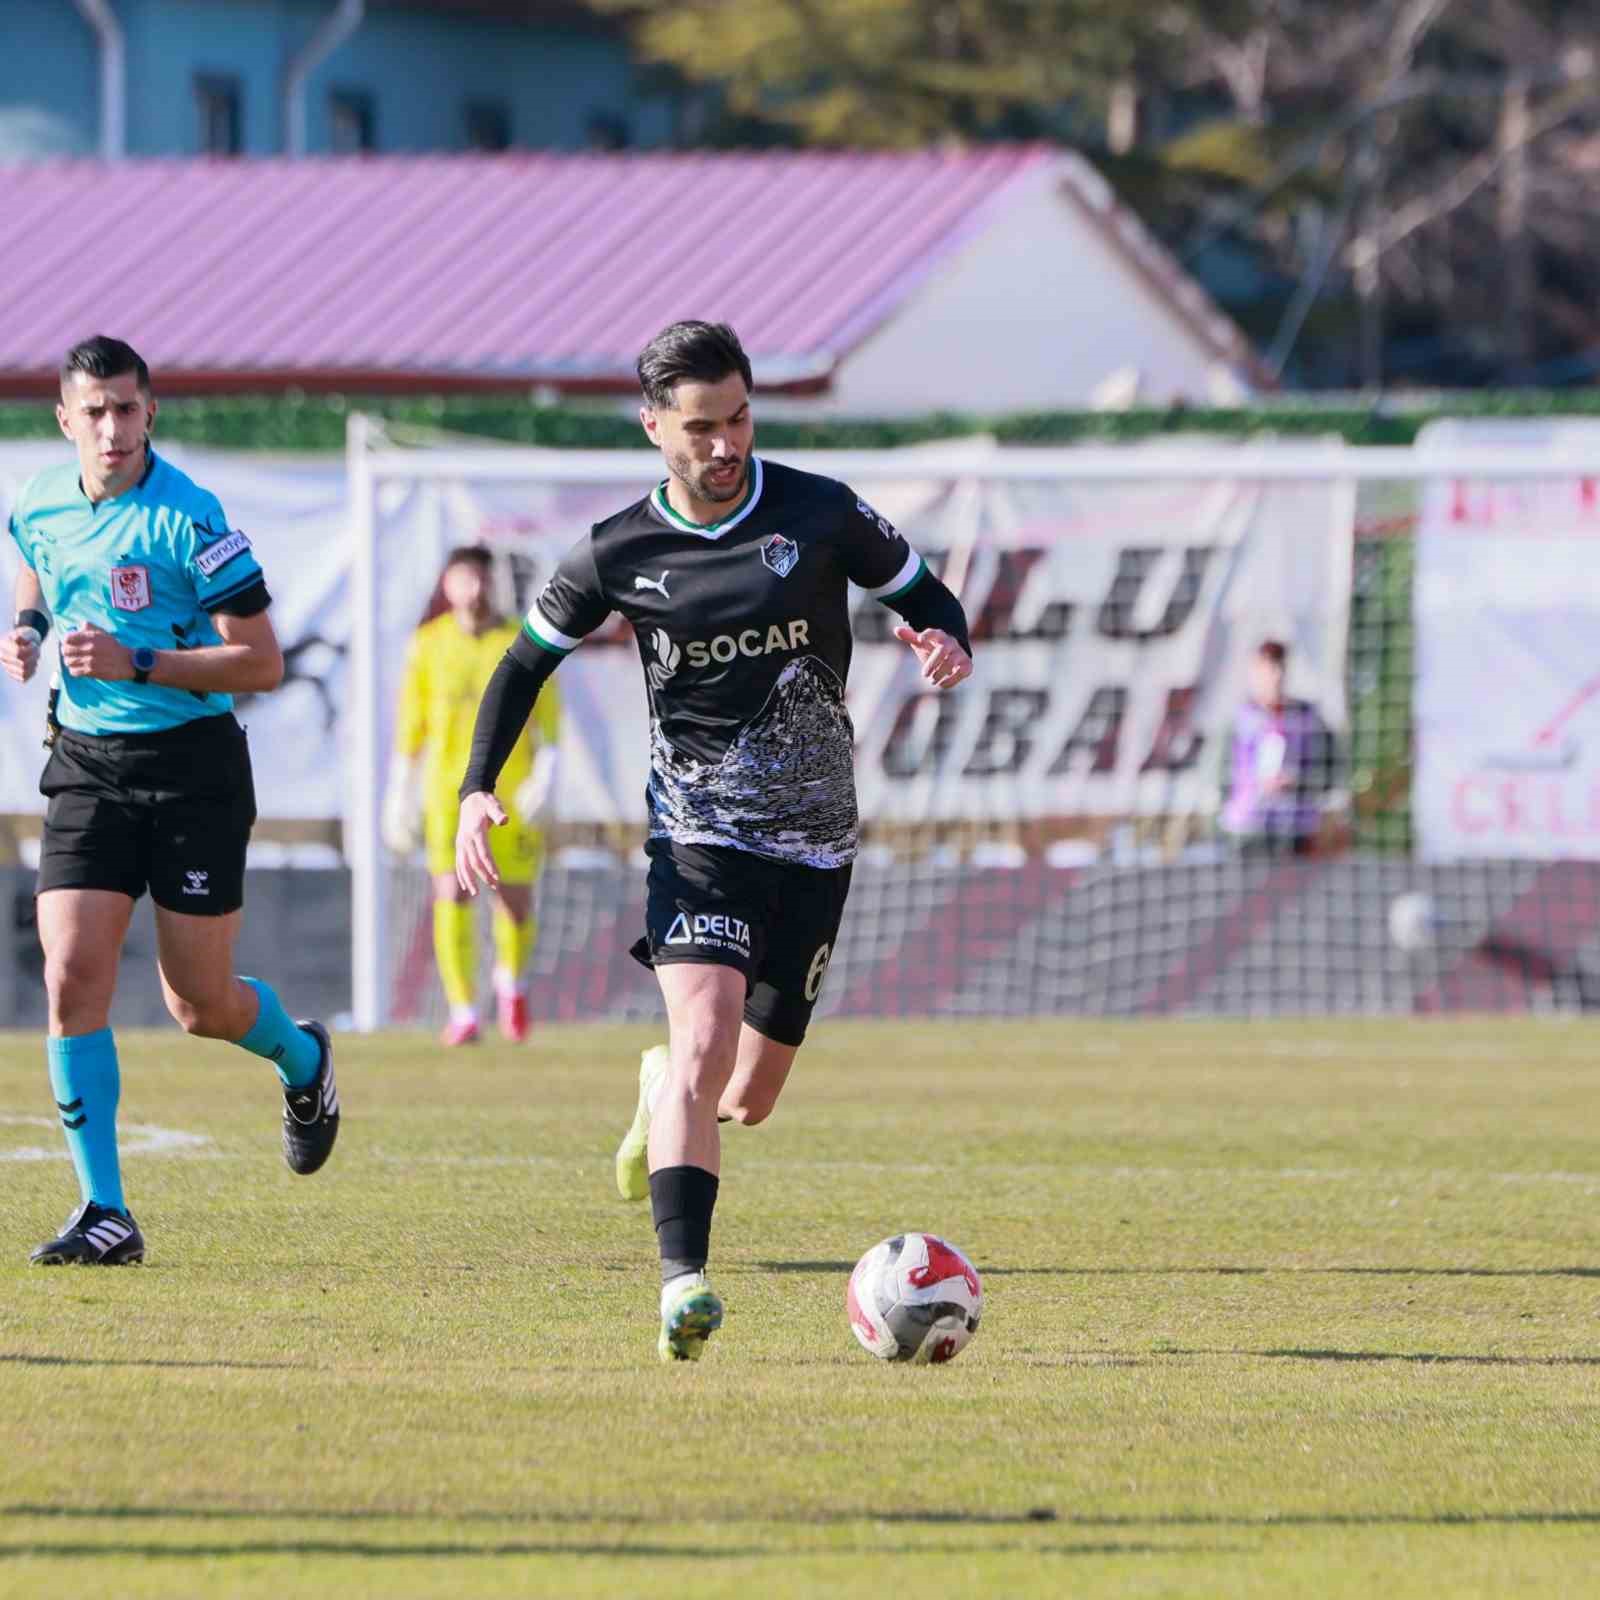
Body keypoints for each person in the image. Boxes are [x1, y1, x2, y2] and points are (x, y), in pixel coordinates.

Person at [455, 320, 973, 1362]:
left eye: (738, 417)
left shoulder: (819, 511)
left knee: (748, 1093)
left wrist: (944, 638)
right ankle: (681, 1283)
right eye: (700, 426)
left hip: (818, 840)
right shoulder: (617, 549)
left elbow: (926, 595)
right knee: (701, 1035)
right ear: (654, 427)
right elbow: (519, 667)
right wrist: (476, 788)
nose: (725, 442)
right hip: (696, 837)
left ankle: (662, 1095)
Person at [0, 336, 340, 1267]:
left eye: (126, 409)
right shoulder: (36, 502)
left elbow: (261, 662)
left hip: (193, 768)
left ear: (152, 414)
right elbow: (37, 560)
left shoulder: (193, 520)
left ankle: (303, 1059)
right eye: (94, 411)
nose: (111, 428)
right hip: (84, 762)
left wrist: (138, 659)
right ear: (65, 421)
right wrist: (26, 627)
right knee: (70, 975)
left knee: (198, 1003)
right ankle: (103, 1211)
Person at [383, 545, 560, 1045]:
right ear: (447, 584)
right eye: (465, 578)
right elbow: (411, 725)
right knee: (451, 892)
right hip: (447, 796)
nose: (475, 589)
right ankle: (462, 1009)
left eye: (482, 579)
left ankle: (512, 985)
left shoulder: (520, 642)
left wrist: (546, 774)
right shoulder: (427, 645)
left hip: (510, 796)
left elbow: (549, 722)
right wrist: (399, 789)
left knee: (515, 901)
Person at [1219, 637, 1338, 856]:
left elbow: (1330, 772)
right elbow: (1221, 778)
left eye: (1278, 667)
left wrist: (1297, 784)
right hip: (1247, 831)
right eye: (1266, 668)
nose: (1274, 676)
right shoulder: (1238, 720)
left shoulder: (1307, 717)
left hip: (1295, 831)